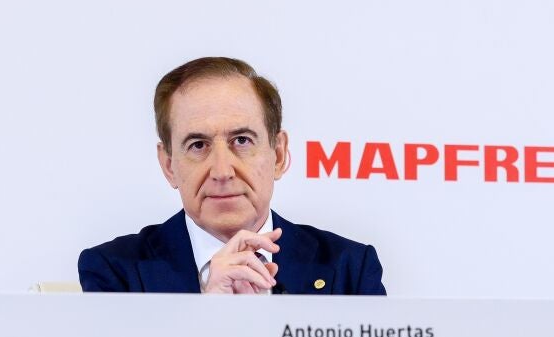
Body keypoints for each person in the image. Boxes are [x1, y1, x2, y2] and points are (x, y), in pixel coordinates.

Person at [78, 57, 385, 294]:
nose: (222, 171)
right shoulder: (115, 272)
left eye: (241, 141)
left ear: (278, 155)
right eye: (198, 145)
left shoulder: (350, 269)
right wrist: (207, 314)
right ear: (169, 165)